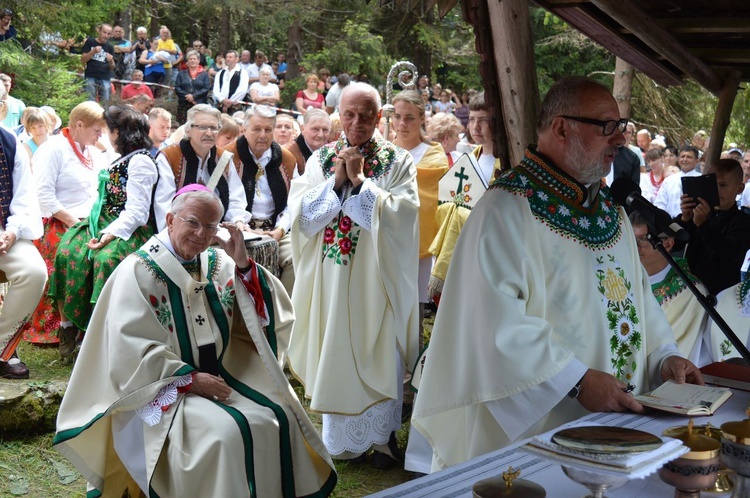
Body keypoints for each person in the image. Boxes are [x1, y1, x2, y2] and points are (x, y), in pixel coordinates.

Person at [411, 76, 703, 471]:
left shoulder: (612, 215)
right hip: (538, 431)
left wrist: (665, 357)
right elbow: (491, 325)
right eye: (606, 127)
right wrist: (576, 380)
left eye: (620, 126)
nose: (619, 139)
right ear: (561, 128)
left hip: (618, 424)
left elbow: (639, 303)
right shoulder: (506, 210)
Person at [53, 186, 337, 497]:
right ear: (170, 219)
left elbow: (262, 318)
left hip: (228, 374)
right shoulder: (137, 270)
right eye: (193, 222)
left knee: (277, 416)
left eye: (212, 226)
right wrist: (189, 379)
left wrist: (243, 264)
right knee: (224, 434)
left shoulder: (219, 262)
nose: (202, 234)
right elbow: (127, 350)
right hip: (162, 388)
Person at [287, 82, 420, 468]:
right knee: (337, 344)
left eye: (366, 115)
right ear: (338, 116)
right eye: (349, 114)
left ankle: (381, 440)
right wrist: (337, 182)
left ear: (380, 117)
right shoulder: (320, 159)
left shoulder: (397, 161)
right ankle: (342, 441)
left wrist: (361, 183)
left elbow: (403, 217)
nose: (357, 122)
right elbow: (301, 218)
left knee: (377, 345)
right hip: (331, 273)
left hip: (376, 276)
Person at [50, 105, 158, 357]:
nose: (104, 136)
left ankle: (96, 337)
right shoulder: (120, 156)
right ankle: (69, 328)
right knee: (67, 251)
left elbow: (138, 212)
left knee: (104, 259)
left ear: (118, 132)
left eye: (107, 130)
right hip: (101, 220)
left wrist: (110, 233)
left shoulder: (141, 161)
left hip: (129, 227)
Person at [29, 102, 108, 348]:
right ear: (79, 125)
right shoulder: (53, 149)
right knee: (70, 255)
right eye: (97, 129)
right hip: (57, 221)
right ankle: (60, 327)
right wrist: (76, 224)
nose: (100, 135)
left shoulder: (93, 151)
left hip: (89, 220)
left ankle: (87, 327)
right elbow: (43, 195)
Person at [224, 106, 298, 294]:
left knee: (297, 256)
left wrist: (280, 229)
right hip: (238, 228)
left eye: (268, 130)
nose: (263, 135)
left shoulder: (287, 160)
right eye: (257, 129)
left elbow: (294, 201)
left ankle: (282, 309)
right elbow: (227, 198)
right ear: (245, 129)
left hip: (275, 229)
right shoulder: (226, 156)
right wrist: (239, 223)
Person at [0, 83, 46, 378]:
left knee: (34, 271)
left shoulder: (10, 143)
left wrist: (13, 232)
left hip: (4, 234)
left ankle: (1, 346)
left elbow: (25, 196)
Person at [153, 104, 250, 232]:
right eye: (202, 127)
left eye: (214, 128)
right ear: (188, 130)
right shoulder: (169, 157)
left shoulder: (223, 159)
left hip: (216, 232)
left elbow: (236, 198)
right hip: (180, 235)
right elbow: (164, 206)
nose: (209, 133)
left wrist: (238, 221)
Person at [679, 158, 750, 296]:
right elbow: (675, 245)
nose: (716, 190)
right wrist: (685, 219)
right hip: (688, 288)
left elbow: (729, 253)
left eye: (723, 185)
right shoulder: (698, 212)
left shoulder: (744, 221)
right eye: (712, 184)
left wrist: (703, 225)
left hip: (721, 292)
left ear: (739, 188)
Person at [654, 145, 701, 217]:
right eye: (682, 156)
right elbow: (660, 204)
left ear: (697, 161)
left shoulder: (701, 179)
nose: (685, 159)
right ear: (678, 159)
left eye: (689, 157)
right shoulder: (669, 180)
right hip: (670, 222)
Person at [284, 108, 331, 175]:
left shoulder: (332, 152)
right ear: (302, 129)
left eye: (325, 130)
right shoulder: (287, 153)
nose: (320, 135)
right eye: (315, 129)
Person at [468, 92, 502, 183]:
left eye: (483, 120)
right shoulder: (469, 160)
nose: (475, 127)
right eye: (471, 119)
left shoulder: (507, 161)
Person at [174, 50, 211, 124]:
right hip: (184, 106)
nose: (192, 61)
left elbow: (206, 89)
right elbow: (177, 88)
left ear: (198, 61)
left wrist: (194, 96)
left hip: (199, 105)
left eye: (194, 59)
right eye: (190, 59)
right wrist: (188, 97)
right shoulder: (181, 74)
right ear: (187, 62)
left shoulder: (204, 74)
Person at [81, 24, 115, 105]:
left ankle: (103, 117)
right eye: (104, 32)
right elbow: (83, 60)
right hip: (90, 75)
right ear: (99, 32)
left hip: (105, 77)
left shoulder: (110, 47)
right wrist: (93, 52)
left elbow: (112, 67)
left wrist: (111, 61)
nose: (106, 35)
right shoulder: (90, 42)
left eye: (108, 34)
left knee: (105, 102)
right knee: (90, 101)